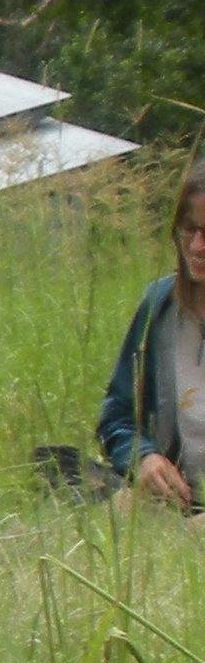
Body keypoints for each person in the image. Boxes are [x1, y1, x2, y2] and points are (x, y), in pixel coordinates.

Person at [93, 151, 205, 510]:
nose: (197, 247)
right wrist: (144, 458)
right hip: (178, 499)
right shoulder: (159, 306)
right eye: (190, 230)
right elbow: (117, 418)